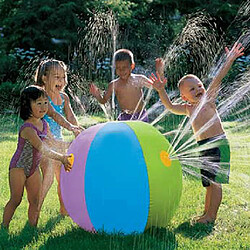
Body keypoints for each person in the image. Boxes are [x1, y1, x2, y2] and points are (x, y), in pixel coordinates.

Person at [150, 42, 244, 224]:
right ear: (185, 96)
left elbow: (218, 77)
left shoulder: (208, 100)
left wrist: (230, 59)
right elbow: (169, 106)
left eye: (199, 85)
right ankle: (206, 213)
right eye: (192, 89)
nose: (199, 90)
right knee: (208, 183)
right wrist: (161, 89)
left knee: (215, 183)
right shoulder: (187, 109)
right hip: (203, 147)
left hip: (218, 144)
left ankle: (211, 217)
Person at [2, 86, 73, 229]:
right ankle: (4, 226)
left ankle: (32, 228)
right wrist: (62, 158)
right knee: (16, 199)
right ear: (28, 105)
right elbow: (42, 148)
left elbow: (52, 142)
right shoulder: (27, 128)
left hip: (33, 168)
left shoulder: (44, 124)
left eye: (46, 102)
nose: (43, 107)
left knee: (35, 201)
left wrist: (70, 143)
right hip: (19, 167)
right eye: (38, 103)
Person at [34, 59, 79, 215]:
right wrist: (53, 141)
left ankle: (64, 209)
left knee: (63, 179)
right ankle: (36, 209)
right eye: (56, 77)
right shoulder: (41, 96)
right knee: (48, 179)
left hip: (57, 141)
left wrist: (77, 130)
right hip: (43, 142)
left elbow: (70, 117)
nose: (61, 81)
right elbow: (42, 122)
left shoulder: (64, 97)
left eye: (63, 77)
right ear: (44, 78)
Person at [90, 49, 164, 122]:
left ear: (132, 66)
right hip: (124, 117)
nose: (121, 71)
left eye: (124, 67)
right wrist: (97, 95)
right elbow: (103, 101)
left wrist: (160, 72)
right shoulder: (114, 84)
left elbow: (157, 87)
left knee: (141, 134)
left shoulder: (139, 79)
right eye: (118, 68)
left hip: (140, 116)